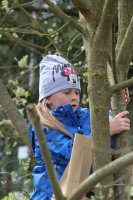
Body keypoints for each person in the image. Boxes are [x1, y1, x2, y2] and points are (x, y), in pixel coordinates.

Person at [29, 55, 130, 200]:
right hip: (50, 195)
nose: (74, 97)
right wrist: (106, 132)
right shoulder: (43, 125)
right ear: (48, 97)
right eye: (67, 92)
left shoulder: (82, 115)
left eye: (76, 92)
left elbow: (103, 120)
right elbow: (70, 153)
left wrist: (117, 105)